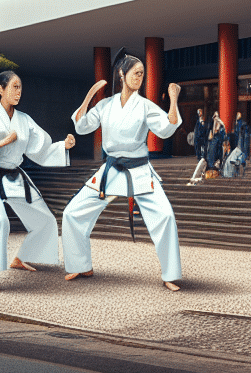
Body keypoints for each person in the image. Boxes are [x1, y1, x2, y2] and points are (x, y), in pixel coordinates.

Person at [61, 50, 183, 291]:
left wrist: (173, 100)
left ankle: (170, 273)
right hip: (111, 170)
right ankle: (81, 264)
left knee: (166, 216)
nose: (140, 77)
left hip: (138, 170)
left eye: (142, 74)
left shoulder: (146, 106)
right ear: (121, 74)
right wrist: (90, 96)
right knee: (72, 212)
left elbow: (166, 128)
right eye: (136, 73)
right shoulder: (105, 105)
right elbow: (82, 126)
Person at [0, 71, 75, 294]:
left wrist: (62, 146)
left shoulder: (24, 120)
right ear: (1, 89)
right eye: (14, 87)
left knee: (45, 219)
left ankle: (21, 257)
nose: (19, 92)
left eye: (20, 87)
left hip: (15, 176)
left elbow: (41, 148)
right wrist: (2, 143)